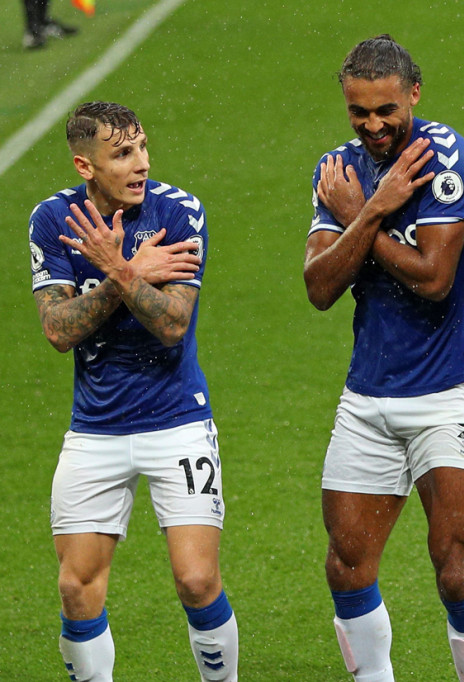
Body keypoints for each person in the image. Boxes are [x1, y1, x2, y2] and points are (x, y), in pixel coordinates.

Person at [304, 34, 464, 682]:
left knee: (455, 569)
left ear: (413, 93)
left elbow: (434, 276)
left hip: (447, 393)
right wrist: (369, 214)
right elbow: (320, 287)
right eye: (360, 112)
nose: (374, 125)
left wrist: (362, 215)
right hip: (369, 397)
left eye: (386, 109)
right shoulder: (338, 169)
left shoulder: (445, 159)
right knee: (346, 565)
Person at [29, 101, 238, 681]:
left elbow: (172, 325)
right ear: (84, 165)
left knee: (197, 580)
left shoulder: (178, 212)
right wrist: (131, 272)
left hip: (176, 419)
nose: (141, 163)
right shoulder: (53, 221)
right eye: (122, 154)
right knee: (76, 588)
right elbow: (57, 330)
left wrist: (116, 268)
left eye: (143, 146)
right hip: (95, 428)